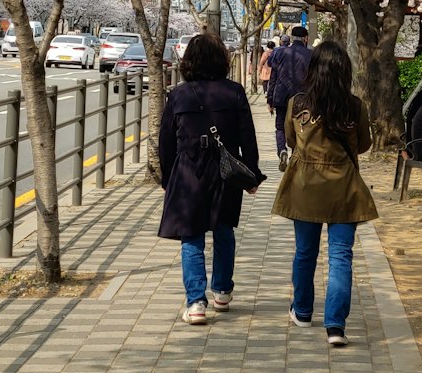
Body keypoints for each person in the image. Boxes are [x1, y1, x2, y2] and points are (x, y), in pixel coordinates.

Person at [272, 40, 377, 347]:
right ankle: (335, 326)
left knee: (305, 253)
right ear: (344, 71)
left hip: (305, 186)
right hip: (344, 187)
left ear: (312, 70)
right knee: (341, 256)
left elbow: (291, 139)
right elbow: (364, 144)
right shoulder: (355, 106)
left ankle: (303, 311)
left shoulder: (298, 103)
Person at [158, 32, 263, 325]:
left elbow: (165, 141)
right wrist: (252, 174)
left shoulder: (178, 94)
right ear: (222, 60)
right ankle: (223, 291)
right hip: (226, 170)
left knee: (191, 235)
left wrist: (168, 179)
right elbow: (248, 138)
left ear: (188, 60)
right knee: (223, 229)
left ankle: (195, 303)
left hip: (188, 170)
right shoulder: (235, 91)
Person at [266, 24, 312, 170]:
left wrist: (270, 99)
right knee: (300, 128)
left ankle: (282, 150)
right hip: (302, 98)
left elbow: (273, 76)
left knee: (280, 127)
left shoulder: (279, 52)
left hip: (281, 96)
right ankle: (294, 155)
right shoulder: (311, 55)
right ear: (306, 38)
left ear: (291, 38)